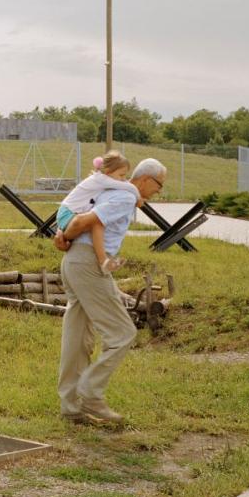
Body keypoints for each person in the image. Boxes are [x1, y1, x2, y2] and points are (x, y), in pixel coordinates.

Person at [57, 159, 166, 426]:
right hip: (88, 264)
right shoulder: (124, 197)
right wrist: (68, 235)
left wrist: (64, 237)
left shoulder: (112, 191)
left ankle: (71, 407)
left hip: (73, 261)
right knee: (122, 333)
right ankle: (91, 394)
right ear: (146, 179)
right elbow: (88, 221)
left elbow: (81, 217)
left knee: (78, 335)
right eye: (159, 185)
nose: (158, 192)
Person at [56, 152, 141, 273]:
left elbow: (123, 183)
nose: (123, 179)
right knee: (97, 223)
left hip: (67, 212)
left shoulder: (102, 178)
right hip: (67, 213)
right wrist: (138, 198)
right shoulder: (101, 179)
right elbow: (129, 187)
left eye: (125, 176)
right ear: (108, 172)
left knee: (96, 221)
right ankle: (103, 261)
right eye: (121, 175)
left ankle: (102, 259)